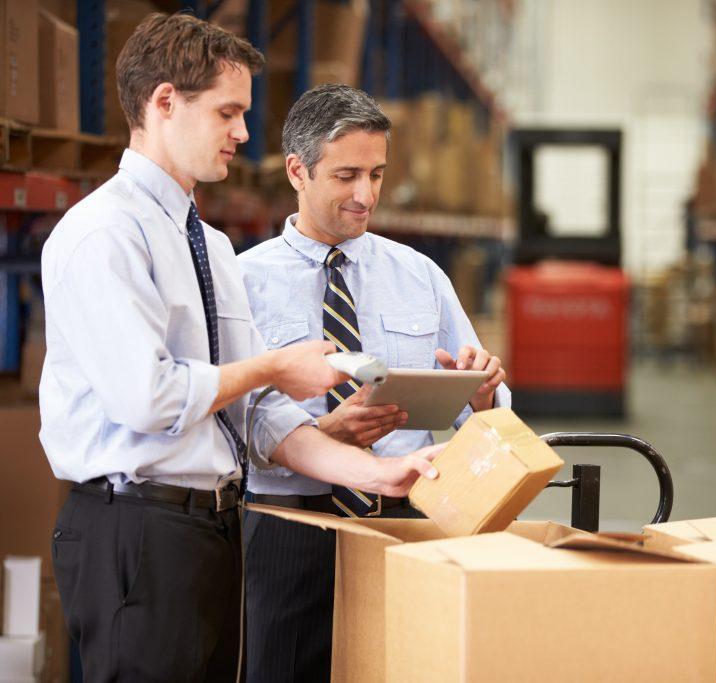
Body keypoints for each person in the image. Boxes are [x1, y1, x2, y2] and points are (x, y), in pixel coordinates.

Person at [39, 14, 439, 681]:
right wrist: (276, 365)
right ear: (164, 102)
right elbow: (149, 396)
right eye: (228, 112)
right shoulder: (103, 236)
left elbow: (258, 411)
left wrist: (374, 473)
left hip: (211, 531)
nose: (243, 133)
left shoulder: (212, 247)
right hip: (136, 530)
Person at [238, 84, 509, 682]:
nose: (366, 196)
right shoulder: (244, 283)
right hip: (290, 524)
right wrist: (323, 433)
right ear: (297, 172)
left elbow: (480, 416)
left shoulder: (419, 275)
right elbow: (229, 425)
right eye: (347, 176)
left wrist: (480, 392)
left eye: (378, 174)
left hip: (405, 517)